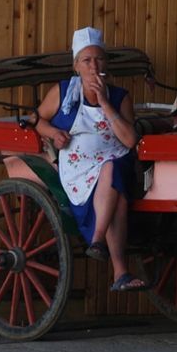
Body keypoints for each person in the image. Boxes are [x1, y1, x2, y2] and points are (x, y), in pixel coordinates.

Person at [33, 27, 149, 292]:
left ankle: (97, 241)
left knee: (114, 169)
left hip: (114, 159)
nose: (94, 66)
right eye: (87, 60)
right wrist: (53, 133)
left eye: (99, 59)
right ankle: (119, 271)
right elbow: (35, 119)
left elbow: (130, 140)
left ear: (106, 64)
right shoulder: (63, 94)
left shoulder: (120, 97)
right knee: (117, 193)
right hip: (79, 167)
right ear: (76, 66)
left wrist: (105, 104)